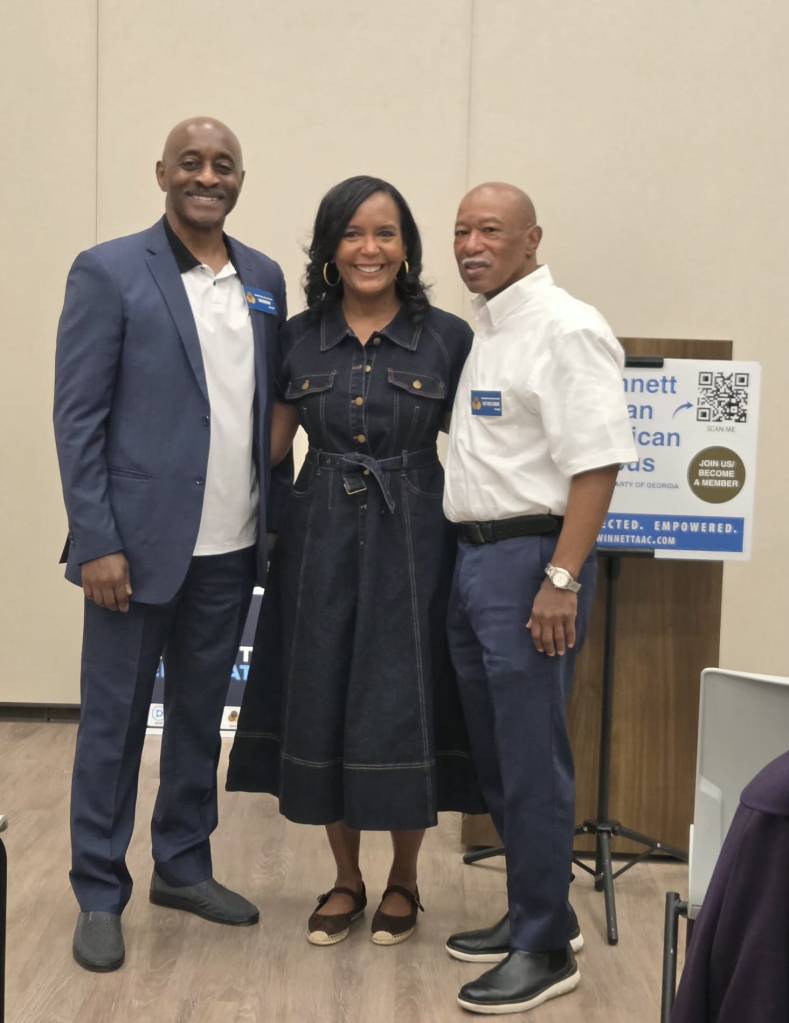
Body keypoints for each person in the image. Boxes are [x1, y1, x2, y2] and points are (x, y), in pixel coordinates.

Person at [53, 117, 286, 972]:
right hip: (133, 551)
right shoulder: (109, 270)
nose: (207, 175)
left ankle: (183, 865)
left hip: (230, 547)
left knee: (198, 720)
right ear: (161, 173)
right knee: (112, 727)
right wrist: (96, 538)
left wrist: (277, 526)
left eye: (224, 163)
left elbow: (270, 410)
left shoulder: (263, 279)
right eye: (191, 162)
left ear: (239, 178)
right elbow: (77, 418)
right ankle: (99, 890)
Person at [228, 175, 482, 947]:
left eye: (385, 234)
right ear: (329, 248)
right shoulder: (297, 336)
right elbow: (271, 445)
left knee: (400, 701)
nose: (368, 249)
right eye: (352, 234)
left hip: (416, 541)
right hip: (318, 541)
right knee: (325, 694)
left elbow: (480, 449)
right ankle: (345, 878)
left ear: (406, 248)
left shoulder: (448, 337)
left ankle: (404, 878)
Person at [443, 183, 637, 1014]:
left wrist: (559, 578)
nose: (469, 244)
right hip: (476, 561)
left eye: (489, 230)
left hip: (530, 562)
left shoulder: (565, 326)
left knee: (531, 758)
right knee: (498, 756)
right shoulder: (492, 329)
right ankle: (534, 908)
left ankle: (546, 947)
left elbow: (596, 462)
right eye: (460, 231)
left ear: (531, 239)